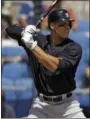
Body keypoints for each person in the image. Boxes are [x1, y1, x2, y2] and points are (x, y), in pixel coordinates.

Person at [6, 9, 86, 118]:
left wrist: (32, 46)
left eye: (69, 24)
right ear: (52, 25)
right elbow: (9, 29)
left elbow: (54, 67)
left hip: (68, 106)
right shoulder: (38, 40)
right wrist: (23, 32)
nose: (67, 27)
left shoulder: (74, 48)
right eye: (63, 24)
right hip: (41, 105)